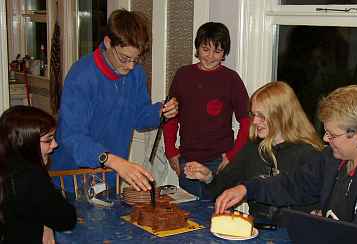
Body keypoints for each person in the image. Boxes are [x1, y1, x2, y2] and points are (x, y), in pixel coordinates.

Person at [215, 85, 357, 244]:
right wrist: (247, 189)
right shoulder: (335, 157)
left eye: (332, 135)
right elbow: (296, 184)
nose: (326, 139)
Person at [51, 9, 178, 192]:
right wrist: (112, 160)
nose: (131, 66)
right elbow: (72, 136)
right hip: (71, 179)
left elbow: (139, 118)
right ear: (108, 43)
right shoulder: (82, 76)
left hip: (109, 176)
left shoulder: (136, 74)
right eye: (125, 58)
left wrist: (160, 112)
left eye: (136, 59)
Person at [184, 81, 324, 225]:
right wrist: (208, 178)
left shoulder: (309, 154)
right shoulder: (252, 148)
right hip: (256, 231)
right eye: (253, 114)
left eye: (262, 116)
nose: (255, 121)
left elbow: (310, 207)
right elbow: (221, 190)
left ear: (282, 115)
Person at [163, 22, 250, 199]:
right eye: (205, 49)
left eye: (217, 52)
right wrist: (171, 151)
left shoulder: (231, 79)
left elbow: (247, 121)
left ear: (224, 52)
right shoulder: (183, 75)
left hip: (220, 162)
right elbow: (170, 116)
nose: (210, 57)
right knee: (191, 216)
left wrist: (232, 156)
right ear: (197, 47)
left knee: (219, 214)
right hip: (188, 160)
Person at [0, 106, 76, 243]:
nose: (55, 145)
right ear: (25, 143)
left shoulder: (7, 168)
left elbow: (37, 208)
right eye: (48, 140)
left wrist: (46, 223)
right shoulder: (32, 176)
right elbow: (67, 220)